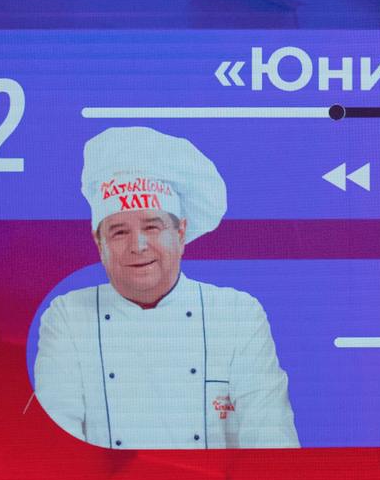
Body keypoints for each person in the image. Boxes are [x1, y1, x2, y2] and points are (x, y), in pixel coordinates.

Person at [35, 127, 299, 449]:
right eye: (119, 232)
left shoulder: (236, 314)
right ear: (99, 242)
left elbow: (271, 439)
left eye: (152, 227)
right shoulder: (68, 317)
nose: (138, 246)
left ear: (181, 233)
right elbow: (56, 444)